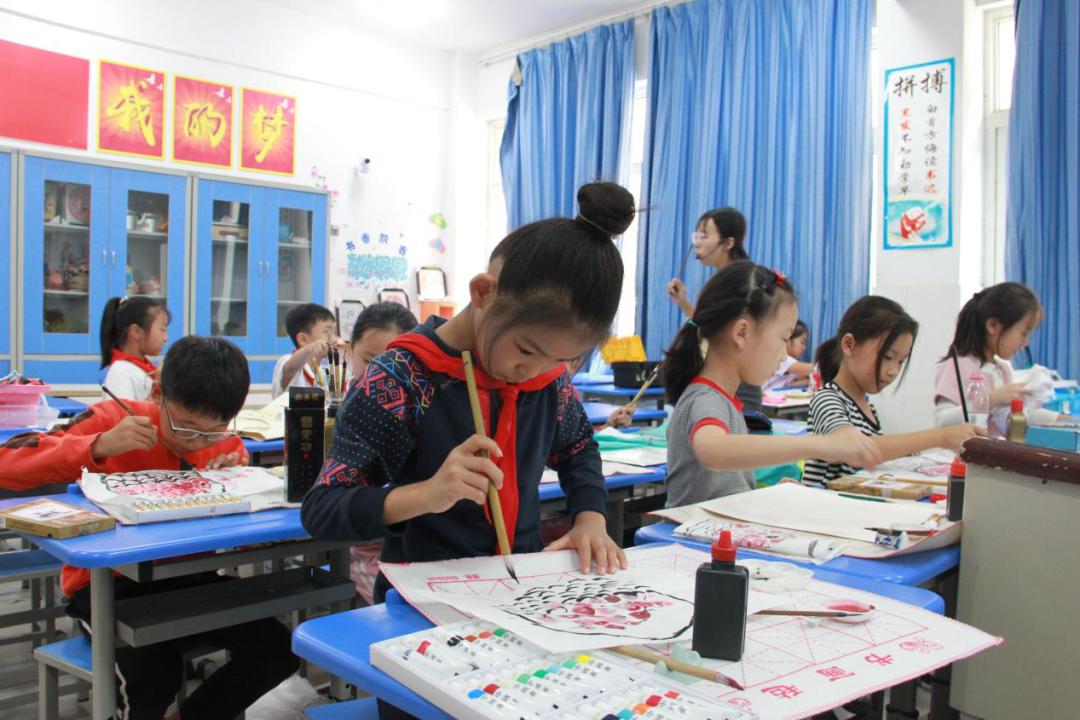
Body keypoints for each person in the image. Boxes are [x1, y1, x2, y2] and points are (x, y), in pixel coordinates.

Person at [301, 182, 635, 610]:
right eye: (526, 350)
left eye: (560, 360)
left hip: (518, 595)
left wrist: (590, 517)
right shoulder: (402, 377)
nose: (534, 371)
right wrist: (427, 494)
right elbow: (323, 509)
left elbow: (578, 448)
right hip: (421, 601)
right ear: (483, 293)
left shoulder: (546, 379)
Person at [0, 337, 298, 720]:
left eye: (215, 430)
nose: (197, 441)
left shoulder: (223, 446)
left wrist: (237, 478)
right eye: (185, 427)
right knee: (153, 674)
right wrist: (98, 446)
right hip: (108, 587)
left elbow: (240, 527)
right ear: (158, 393)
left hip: (189, 579)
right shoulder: (112, 420)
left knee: (278, 648)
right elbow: (7, 462)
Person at [662, 261, 882, 507]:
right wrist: (820, 444)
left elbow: (724, 489)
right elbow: (713, 450)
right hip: (692, 531)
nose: (783, 356)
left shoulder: (724, 399)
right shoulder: (705, 398)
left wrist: (766, 493)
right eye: (783, 339)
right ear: (742, 333)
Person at [802, 296, 982, 487]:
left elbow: (872, 453)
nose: (893, 371)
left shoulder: (867, 406)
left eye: (901, 361)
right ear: (849, 345)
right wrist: (941, 437)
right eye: (887, 357)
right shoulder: (827, 399)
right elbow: (854, 449)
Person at [344, 301, 418, 603]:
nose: (381, 375)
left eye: (394, 364)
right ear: (350, 350)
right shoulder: (338, 412)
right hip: (357, 549)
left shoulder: (421, 411)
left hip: (410, 550)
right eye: (370, 360)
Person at [934, 282, 1062, 436]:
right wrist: (990, 400)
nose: (1026, 342)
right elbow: (941, 422)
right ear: (993, 325)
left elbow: (1017, 417)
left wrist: (1064, 420)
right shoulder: (958, 366)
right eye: (1023, 333)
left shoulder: (1003, 370)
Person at [100, 296, 170, 401]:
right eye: (162, 329)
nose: (166, 338)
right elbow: (124, 412)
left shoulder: (143, 368)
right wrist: (158, 389)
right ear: (136, 332)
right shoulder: (120, 372)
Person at [271, 303, 342, 398]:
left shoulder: (327, 371)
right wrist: (310, 349)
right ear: (303, 339)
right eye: (327, 332)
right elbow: (290, 368)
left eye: (335, 332)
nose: (334, 339)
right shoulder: (287, 360)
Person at [763, 319, 812, 391]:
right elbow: (813, 369)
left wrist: (797, 383)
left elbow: (803, 378)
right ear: (788, 341)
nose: (804, 347)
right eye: (802, 342)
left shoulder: (792, 364)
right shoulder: (781, 358)